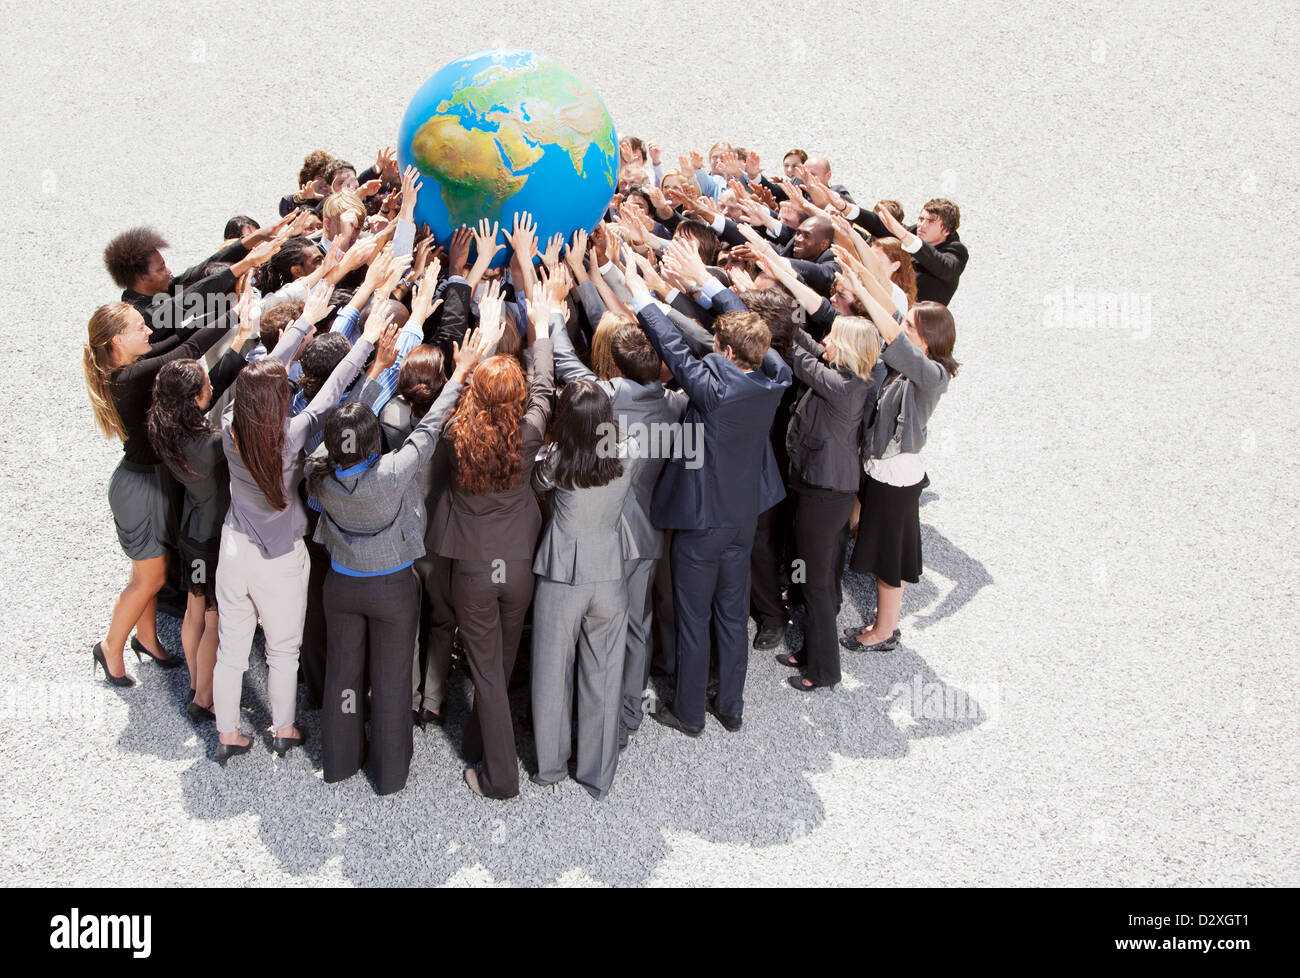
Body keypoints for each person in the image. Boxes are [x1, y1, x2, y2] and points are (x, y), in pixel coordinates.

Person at [308, 321, 495, 795]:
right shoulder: (392, 471)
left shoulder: (317, 474)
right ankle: (390, 774)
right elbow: (430, 428)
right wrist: (462, 371)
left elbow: (333, 434)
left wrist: (375, 374)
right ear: (374, 443)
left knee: (343, 676)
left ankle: (340, 760)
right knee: (392, 682)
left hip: (342, 583)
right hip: (391, 587)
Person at [211, 282, 385, 763]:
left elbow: (257, 379)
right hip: (280, 554)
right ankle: (282, 728)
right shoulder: (291, 436)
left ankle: (227, 734)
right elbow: (330, 391)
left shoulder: (229, 428)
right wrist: (366, 340)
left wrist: (303, 325)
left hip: (233, 546)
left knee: (232, 647)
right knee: (282, 649)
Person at [620, 246, 791, 736]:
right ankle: (730, 706)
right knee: (732, 613)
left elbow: (673, 350)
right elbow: (748, 333)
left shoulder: (716, 390)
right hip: (743, 517)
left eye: (719, 346)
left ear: (729, 354)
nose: (713, 349)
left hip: (701, 523)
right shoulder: (775, 377)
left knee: (694, 618)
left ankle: (690, 712)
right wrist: (713, 288)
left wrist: (640, 295)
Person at [82, 290, 254, 686]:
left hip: (148, 481)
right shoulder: (131, 375)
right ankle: (111, 648)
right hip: (139, 487)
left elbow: (180, 342)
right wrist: (236, 314)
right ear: (116, 342)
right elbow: (189, 345)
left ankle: (146, 638)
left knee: (146, 570)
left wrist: (237, 331)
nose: (148, 330)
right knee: (151, 578)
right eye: (138, 327)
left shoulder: (133, 364)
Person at [428, 283, 554, 799]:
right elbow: (545, 387)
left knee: (486, 671)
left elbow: (446, 400)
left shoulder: (457, 435)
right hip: (518, 564)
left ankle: (500, 777)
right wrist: (540, 329)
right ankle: (481, 740)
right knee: (498, 662)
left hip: (474, 568)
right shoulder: (528, 433)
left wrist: (476, 344)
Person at [145, 300, 261, 719]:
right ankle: (203, 698)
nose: (212, 387)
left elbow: (212, 383)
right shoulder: (212, 445)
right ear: (196, 399)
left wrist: (242, 337)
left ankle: (196, 682)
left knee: (195, 610)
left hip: (190, 538)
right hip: (213, 540)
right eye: (206, 388)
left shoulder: (167, 425)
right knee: (214, 619)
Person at [530, 372, 638, 799]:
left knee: (552, 674)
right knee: (606, 675)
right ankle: (597, 773)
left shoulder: (556, 460)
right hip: (610, 572)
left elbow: (537, 486)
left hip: (562, 574)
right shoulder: (629, 453)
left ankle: (551, 765)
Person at [841, 292, 960, 655]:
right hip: (881, 469)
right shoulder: (916, 366)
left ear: (927, 338)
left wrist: (862, 290)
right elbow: (892, 319)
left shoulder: (932, 375)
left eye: (910, 326)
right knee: (873, 538)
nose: (902, 329)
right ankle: (882, 622)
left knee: (890, 561)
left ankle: (885, 630)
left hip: (894, 476)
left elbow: (892, 334)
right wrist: (862, 280)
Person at [777, 316, 881, 689]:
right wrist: (790, 318)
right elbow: (813, 349)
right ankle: (810, 651)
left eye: (833, 339)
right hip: (821, 491)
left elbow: (801, 359)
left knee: (817, 583)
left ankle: (824, 671)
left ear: (848, 349)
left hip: (824, 494)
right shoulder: (848, 377)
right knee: (806, 570)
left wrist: (781, 328)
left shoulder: (840, 385)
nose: (825, 342)